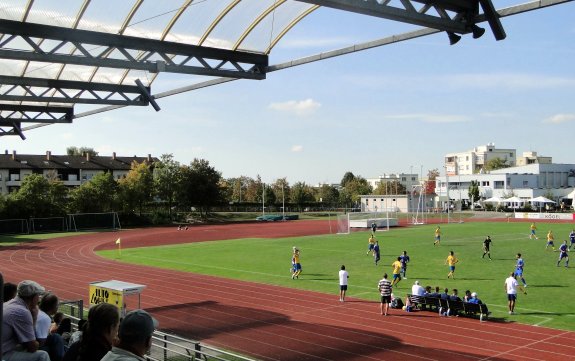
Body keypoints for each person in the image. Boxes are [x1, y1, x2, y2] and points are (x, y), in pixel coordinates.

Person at [1, 280, 50, 361]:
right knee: (43, 355)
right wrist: (34, 317)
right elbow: (32, 347)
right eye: (38, 296)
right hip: (3, 354)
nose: (39, 299)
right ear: (34, 298)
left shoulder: (9, 304)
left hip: (6, 348)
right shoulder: (22, 312)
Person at [36, 293, 66, 361]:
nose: (58, 307)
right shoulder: (45, 318)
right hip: (35, 348)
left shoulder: (38, 312)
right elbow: (41, 342)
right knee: (56, 337)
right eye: (57, 305)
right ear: (53, 306)